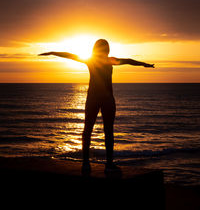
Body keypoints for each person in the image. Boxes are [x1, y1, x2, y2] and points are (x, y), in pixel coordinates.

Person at [39, 39, 154, 173]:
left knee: (99, 131)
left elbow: (128, 60)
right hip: (100, 99)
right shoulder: (100, 60)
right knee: (95, 130)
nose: (105, 50)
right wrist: (53, 53)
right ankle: (93, 163)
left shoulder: (100, 60)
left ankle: (99, 163)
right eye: (104, 48)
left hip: (102, 99)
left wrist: (144, 64)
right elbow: (70, 55)